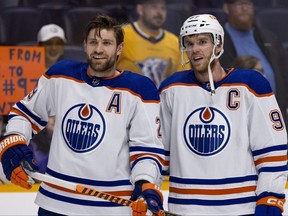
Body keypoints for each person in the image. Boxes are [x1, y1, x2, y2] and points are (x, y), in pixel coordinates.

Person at [0, 15, 165, 216]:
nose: (99, 49)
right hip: (55, 203)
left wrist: (145, 184)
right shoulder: (61, 75)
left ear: (119, 48)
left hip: (112, 207)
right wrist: (14, 142)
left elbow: (147, 149)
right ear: (85, 45)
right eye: (93, 42)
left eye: (106, 43)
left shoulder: (140, 89)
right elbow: (23, 114)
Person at [159, 14, 287, 216]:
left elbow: (272, 151)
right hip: (184, 209)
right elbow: (159, 153)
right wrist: (147, 186)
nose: (195, 50)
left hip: (239, 208)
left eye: (202, 42)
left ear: (218, 46)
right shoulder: (171, 88)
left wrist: (270, 198)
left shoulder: (251, 85)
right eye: (190, 43)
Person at [220, 0, 288, 130]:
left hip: (274, 112)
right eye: (239, 4)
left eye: (248, 4)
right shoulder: (218, 42)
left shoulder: (269, 38)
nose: (244, 8)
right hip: (238, 116)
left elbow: (283, 74)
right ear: (227, 8)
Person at [116, 0, 191, 87]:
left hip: (164, 99)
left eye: (163, 8)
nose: (159, 12)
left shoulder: (175, 42)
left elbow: (184, 81)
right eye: (154, 7)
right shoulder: (121, 36)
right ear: (140, 9)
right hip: (127, 97)